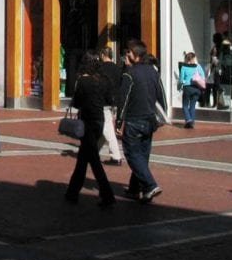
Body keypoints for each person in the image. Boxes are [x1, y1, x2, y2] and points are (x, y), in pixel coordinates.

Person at [116, 40, 165, 203]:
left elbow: (123, 100)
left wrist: (118, 122)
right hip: (150, 120)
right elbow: (162, 96)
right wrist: (161, 116)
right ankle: (135, 189)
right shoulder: (153, 71)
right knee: (142, 155)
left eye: (128, 52)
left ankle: (150, 185)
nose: (126, 55)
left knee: (132, 154)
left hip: (134, 120)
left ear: (135, 54)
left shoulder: (129, 74)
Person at [65, 52, 116, 208]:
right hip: (99, 121)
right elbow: (109, 100)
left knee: (93, 160)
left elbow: (77, 103)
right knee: (83, 158)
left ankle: (107, 194)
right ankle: (72, 192)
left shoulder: (83, 81)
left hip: (86, 122)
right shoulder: (104, 80)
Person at [97, 47, 124, 165]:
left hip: (104, 102)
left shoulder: (100, 68)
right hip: (114, 102)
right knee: (104, 128)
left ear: (103, 55)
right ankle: (92, 152)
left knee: (107, 129)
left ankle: (116, 156)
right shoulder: (118, 68)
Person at [177, 51, 206, 128]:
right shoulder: (198, 66)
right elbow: (203, 76)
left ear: (186, 59)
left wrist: (179, 87)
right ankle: (192, 122)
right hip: (196, 88)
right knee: (192, 106)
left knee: (185, 105)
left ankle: (188, 120)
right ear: (194, 58)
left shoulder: (183, 67)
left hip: (187, 88)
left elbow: (181, 80)